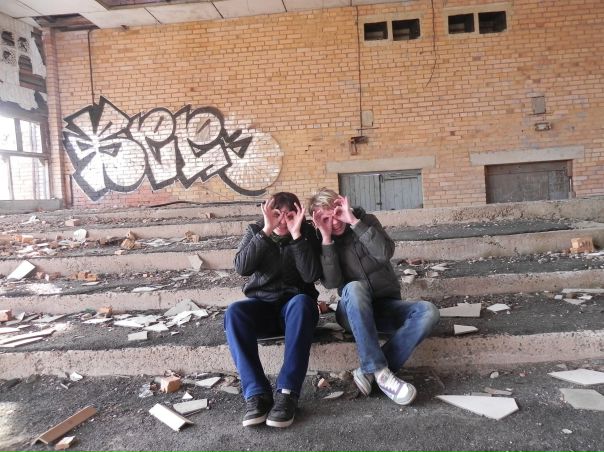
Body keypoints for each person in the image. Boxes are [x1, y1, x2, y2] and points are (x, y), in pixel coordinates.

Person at [308, 188, 439, 405]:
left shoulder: (366, 221)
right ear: (318, 221)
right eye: (327, 219)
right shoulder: (321, 241)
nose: (335, 222)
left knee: (428, 312)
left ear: (344, 207)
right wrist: (327, 238)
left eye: (337, 213)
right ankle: (381, 373)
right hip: (352, 311)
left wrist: (354, 222)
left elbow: (385, 253)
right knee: (354, 287)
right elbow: (332, 282)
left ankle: (370, 371)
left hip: (386, 306)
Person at [224, 192, 321, 428]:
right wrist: (266, 231)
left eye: (290, 215)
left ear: (298, 215)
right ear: (269, 213)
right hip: (263, 307)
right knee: (234, 312)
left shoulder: (307, 233)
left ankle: (287, 394)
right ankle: (257, 394)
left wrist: (297, 236)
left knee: (302, 302)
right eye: (278, 214)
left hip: (296, 310)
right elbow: (242, 268)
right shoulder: (256, 230)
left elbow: (311, 275)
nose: (283, 221)